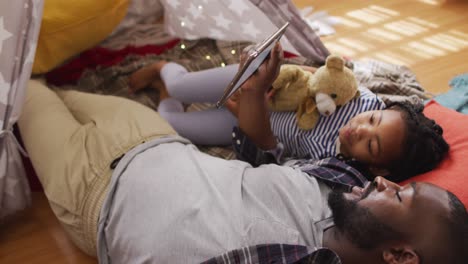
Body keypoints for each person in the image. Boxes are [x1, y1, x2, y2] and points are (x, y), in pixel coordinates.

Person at [18, 47, 467, 264]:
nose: (389, 185)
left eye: (403, 197)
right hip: (148, 136)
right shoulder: (342, 179)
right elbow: (264, 149)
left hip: (96, 191)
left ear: (401, 256)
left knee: (25, 93)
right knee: (58, 88)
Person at [128, 45, 449, 182]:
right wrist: (275, 75)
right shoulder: (365, 101)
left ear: (378, 169)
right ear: (382, 109)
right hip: (265, 83)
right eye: (373, 122)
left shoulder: (331, 163)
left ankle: (164, 92)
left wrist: (250, 107)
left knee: (168, 122)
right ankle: (167, 69)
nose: (362, 129)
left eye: (372, 145)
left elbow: (268, 147)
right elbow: (318, 74)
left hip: (245, 120)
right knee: (184, 87)